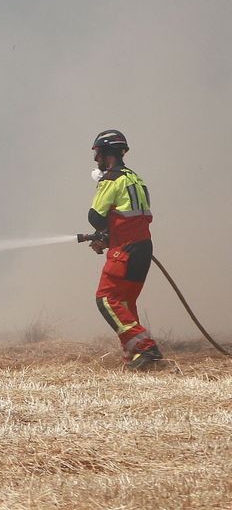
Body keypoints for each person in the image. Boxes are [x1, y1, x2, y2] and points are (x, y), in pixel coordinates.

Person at [86, 129, 163, 370]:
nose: (95, 158)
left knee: (107, 300)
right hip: (142, 247)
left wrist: (103, 234)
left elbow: (95, 217)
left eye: (97, 152)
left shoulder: (111, 179)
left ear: (107, 152)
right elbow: (131, 217)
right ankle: (135, 357)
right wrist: (107, 237)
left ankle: (146, 349)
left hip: (126, 250)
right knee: (125, 304)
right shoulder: (135, 179)